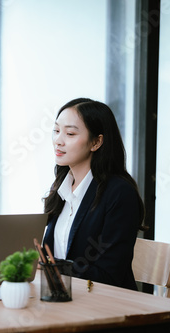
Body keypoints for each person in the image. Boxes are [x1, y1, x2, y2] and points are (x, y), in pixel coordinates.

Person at [42, 98, 146, 291]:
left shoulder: (119, 194)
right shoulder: (61, 189)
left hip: (105, 306)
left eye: (70, 133)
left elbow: (108, 276)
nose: (58, 140)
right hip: (63, 298)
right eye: (56, 131)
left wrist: (49, 264)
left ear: (96, 142)